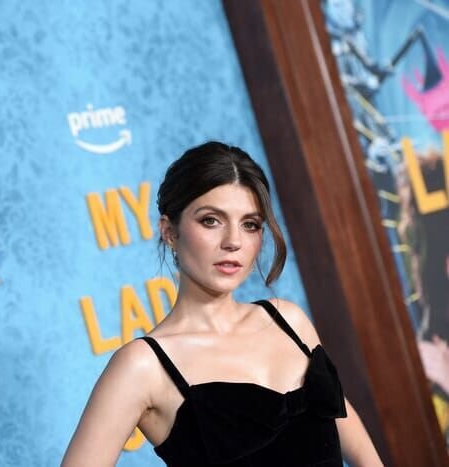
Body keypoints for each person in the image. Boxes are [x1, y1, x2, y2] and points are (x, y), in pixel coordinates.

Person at [61, 142, 382, 466]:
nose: (233, 241)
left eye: (250, 224)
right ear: (169, 231)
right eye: (211, 220)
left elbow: (365, 456)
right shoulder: (143, 366)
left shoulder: (289, 321)